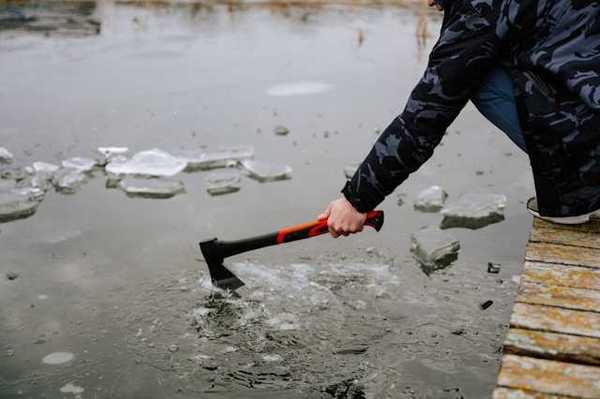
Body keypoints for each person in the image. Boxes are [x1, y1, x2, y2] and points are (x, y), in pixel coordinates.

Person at [320, 0, 600, 237]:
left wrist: (355, 201)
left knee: (478, 76)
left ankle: (581, 183)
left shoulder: (479, 9)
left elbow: (425, 116)